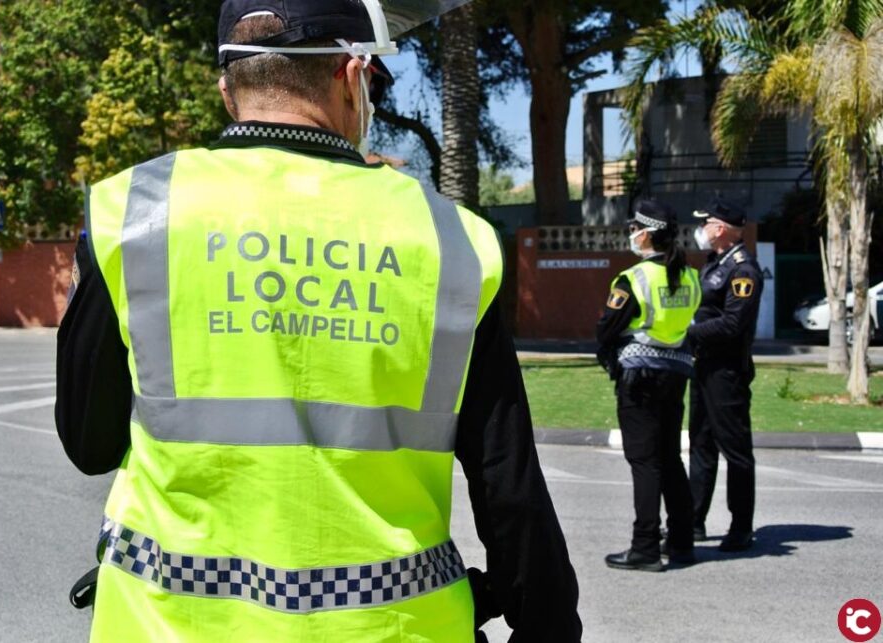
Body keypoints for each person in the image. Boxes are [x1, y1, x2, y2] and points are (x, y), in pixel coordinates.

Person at [54, 1, 581, 641]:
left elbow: (90, 444)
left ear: (228, 90)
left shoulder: (131, 211)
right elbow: (509, 488)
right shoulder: (448, 238)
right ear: (351, 75)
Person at [597, 199, 701, 572]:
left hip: (639, 377)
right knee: (670, 458)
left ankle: (645, 548)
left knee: (644, 463)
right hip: (676, 374)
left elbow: (607, 327)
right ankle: (682, 542)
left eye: (633, 229)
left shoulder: (634, 278)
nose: (631, 235)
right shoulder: (689, 275)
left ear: (647, 232)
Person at [688, 199, 763, 552]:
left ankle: (741, 526)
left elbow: (734, 323)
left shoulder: (743, 269)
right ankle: (694, 520)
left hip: (727, 372)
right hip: (703, 366)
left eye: (706, 224)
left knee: (735, 450)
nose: (701, 230)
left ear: (720, 229)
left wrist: (688, 332)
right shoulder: (714, 263)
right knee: (701, 445)